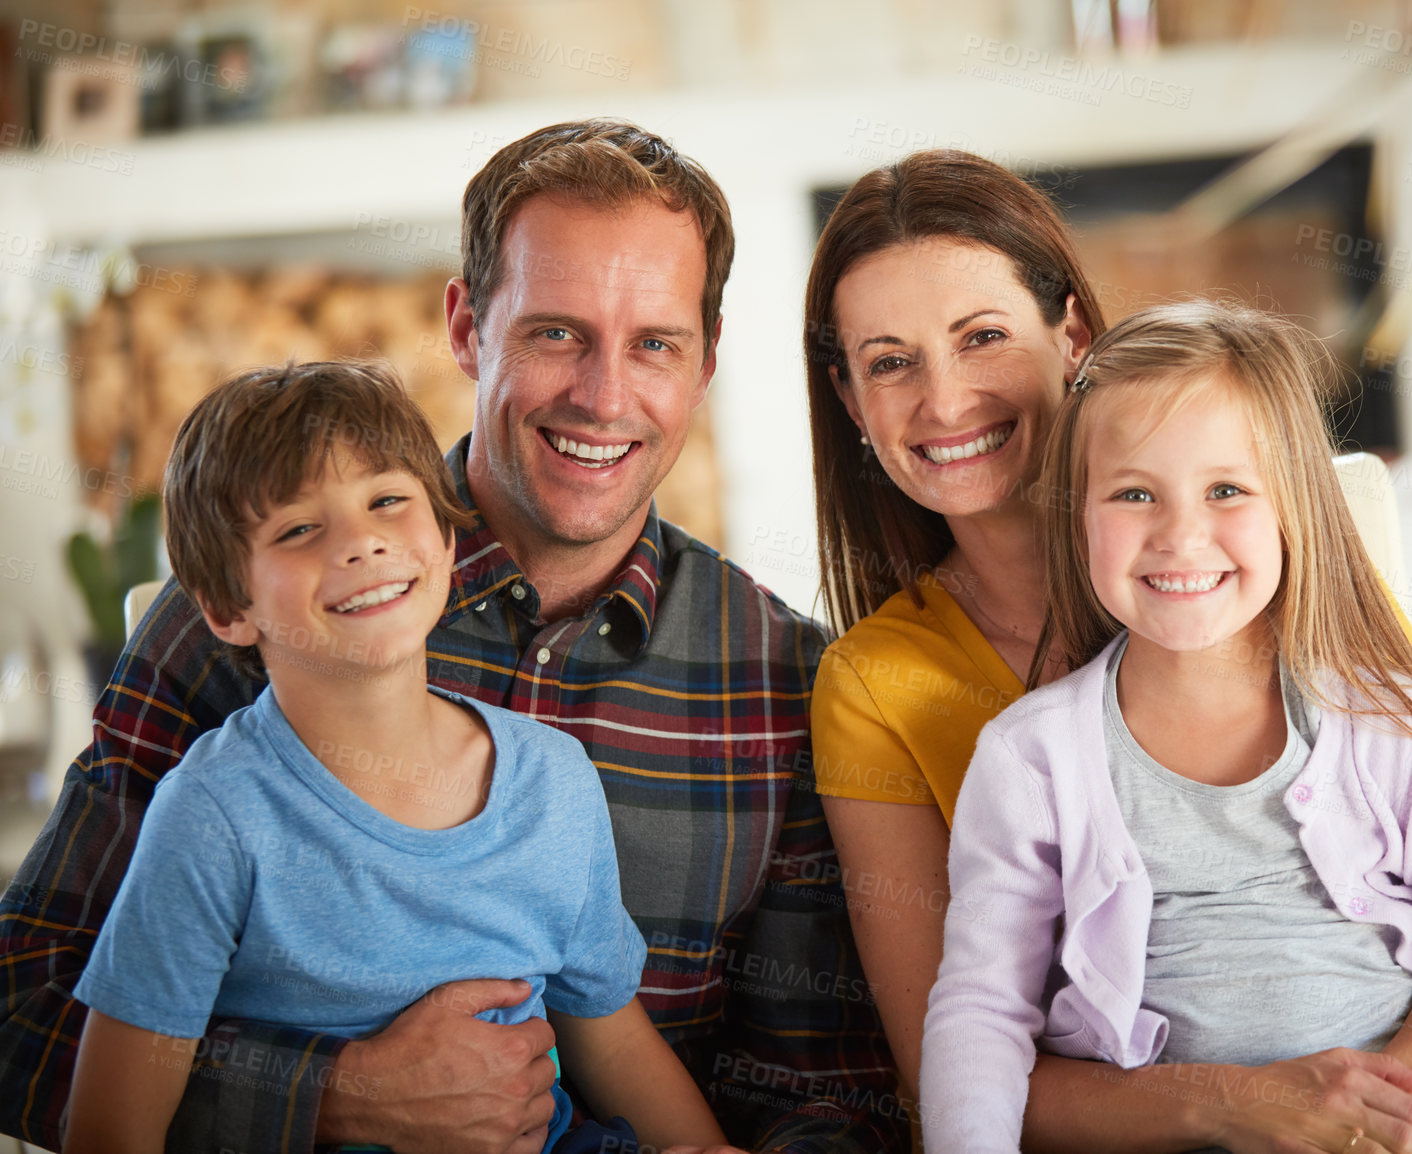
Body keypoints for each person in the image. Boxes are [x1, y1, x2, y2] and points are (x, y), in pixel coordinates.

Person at [0, 119, 900, 1154]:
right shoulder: (252, 625)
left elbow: (822, 1093)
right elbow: (22, 1007)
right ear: (468, 326)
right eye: (556, 332)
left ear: (703, 364)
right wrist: (331, 1094)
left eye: (654, 342)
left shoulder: (786, 679)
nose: (604, 396)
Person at [805, 150, 1412, 1151]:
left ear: (1072, 334)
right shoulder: (873, 684)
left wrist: (1359, 1122)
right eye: (889, 360)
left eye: (983, 337)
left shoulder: (1288, 567)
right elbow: (951, 1074)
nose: (946, 397)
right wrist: (1246, 1107)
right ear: (849, 401)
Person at [920, 301, 1412, 1153]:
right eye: (1134, 493)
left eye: (1226, 491)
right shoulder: (1031, 760)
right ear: (1079, 517)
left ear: (1291, 508)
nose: (1181, 535)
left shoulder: (1381, 724)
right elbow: (982, 1013)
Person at [63, 361, 727, 1154]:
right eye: (299, 529)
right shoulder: (212, 815)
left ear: (445, 544)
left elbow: (609, 1034)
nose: (362, 542)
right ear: (225, 608)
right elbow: (108, 1131)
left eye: (386, 501)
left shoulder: (554, 778)